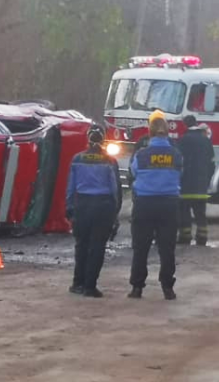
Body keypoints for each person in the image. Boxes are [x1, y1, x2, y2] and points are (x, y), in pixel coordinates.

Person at [128, 114, 182, 300]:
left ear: (149, 133)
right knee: (167, 248)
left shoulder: (142, 155)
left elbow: (133, 172)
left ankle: (137, 288)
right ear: (167, 133)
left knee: (141, 247)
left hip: (144, 204)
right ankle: (168, 287)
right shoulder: (176, 154)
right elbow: (181, 172)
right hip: (168, 204)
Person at [65, 126, 122, 298]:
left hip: (82, 204)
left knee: (81, 244)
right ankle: (90, 286)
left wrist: (69, 208)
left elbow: (71, 187)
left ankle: (77, 283)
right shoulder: (110, 161)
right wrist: (115, 213)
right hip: (103, 206)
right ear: (103, 140)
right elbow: (115, 189)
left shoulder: (77, 159)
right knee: (97, 246)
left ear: (88, 139)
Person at [176, 115, 215, 246]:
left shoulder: (182, 140)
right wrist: (207, 179)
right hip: (201, 185)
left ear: (185, 125)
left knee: (184, 213)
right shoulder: (206, 141)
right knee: (200, 214)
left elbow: (178, 162)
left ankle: (185, 237)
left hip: (185, 184)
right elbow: (212, 163)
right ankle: (202, 238)